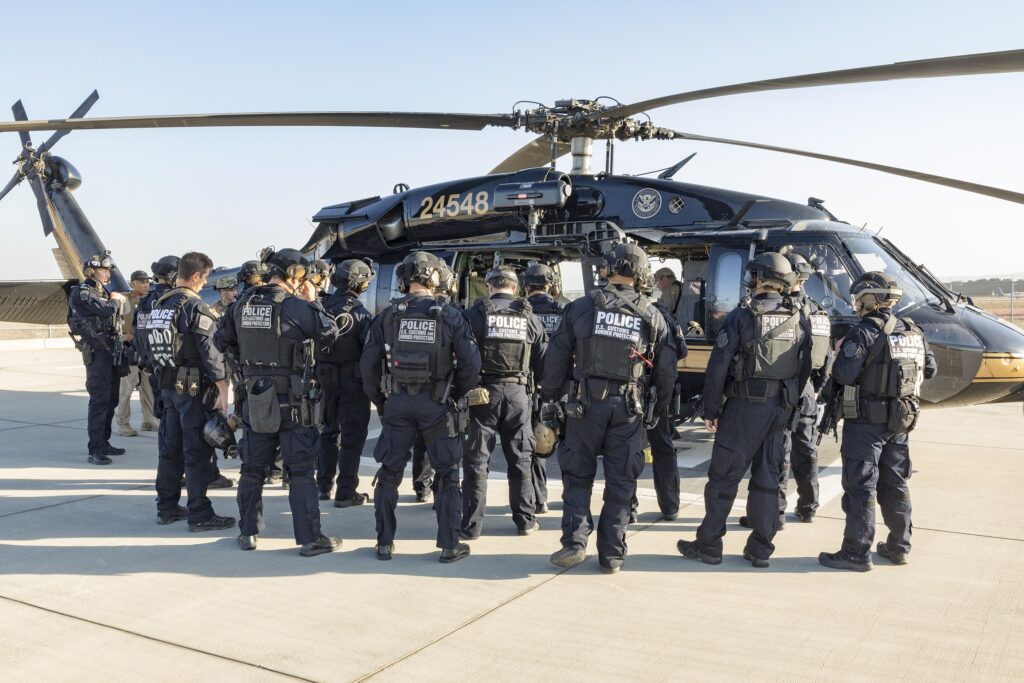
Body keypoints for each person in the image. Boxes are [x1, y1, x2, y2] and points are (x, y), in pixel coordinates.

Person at [541, 243, 677, 574]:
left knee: (577, 475)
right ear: (643, 274)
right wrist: (656, 410)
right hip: (629, 407)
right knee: (621, 482)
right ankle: (612, 554)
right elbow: (666, 371)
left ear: (608, 268)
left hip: (584, 405)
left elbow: (557, 357)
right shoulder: (653, 315)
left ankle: (574, 543)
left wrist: (550, 400)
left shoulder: (582, 307)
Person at [677, 252, 811, 569]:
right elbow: (805, 368)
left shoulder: (741, 316)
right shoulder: (798, 317)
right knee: (768, 479)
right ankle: (760, 549)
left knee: (724, 477)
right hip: (781, 409)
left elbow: (718, 367)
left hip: (744, 408)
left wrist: (710, 408)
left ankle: (709, 545)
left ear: (760, 279)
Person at [215, 248, 343, 556]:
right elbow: (330, 332)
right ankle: (311, 539)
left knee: (252, 469)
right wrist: (313, 301)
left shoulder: (241, 304)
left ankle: (247, 533)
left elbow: (222, 341)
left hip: (255, 399)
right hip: (293, 402)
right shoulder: (297, 307)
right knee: (300, 472)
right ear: (296, 275)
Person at [360, 251, 482, 563]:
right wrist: (454, 394)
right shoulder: (450, 314)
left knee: (389, 474)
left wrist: (382, 401)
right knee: (447, 474)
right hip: (437, 403)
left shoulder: (388, 315)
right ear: (434, 278)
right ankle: (449, 545)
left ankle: (384, 543)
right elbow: (471, 364)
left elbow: (368, 366)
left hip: (398, 402)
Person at [819, 271, 936, 571]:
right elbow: (930, 369)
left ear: (868, 297)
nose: (856, 303)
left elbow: (844, 374)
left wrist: (837, 353)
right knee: (896, 483)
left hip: (866, 423)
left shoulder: (865, 331)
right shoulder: (913, 331)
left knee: (861, 486)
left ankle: (857, 552)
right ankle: (899, 546)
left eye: (858, 297)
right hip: (900, 421)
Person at [140, 251, 235, 531]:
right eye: (204, 278)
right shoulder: (193, 307)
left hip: (167, 386)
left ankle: (167, 507)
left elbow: (145, 349)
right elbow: (210, 352)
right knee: (196, 453)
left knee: (170, 450)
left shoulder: (158, 305)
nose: (205, 284)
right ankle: (199, 514)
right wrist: (222, 389)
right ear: (195, 276)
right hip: (193, 390)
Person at [741, 252, 832, 525]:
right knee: (805, 451)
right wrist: (815, 389)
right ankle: (808, 505)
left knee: (777, 454)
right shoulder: (816, 311)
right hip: (805, 392)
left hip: (782, 392)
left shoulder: (777, 310)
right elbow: (825, 357)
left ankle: (775, 512)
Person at [462, 265, 548, 538]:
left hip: (481, 395)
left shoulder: (474, 314)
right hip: (518, 395)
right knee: (521, 459)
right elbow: (544, 362)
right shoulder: (529, 317)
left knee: (477, 460)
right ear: (515, 288)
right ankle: (525, 521)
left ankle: (471, 527)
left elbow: (461, 357)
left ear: (489, 286)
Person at [316, 259, 375, 507]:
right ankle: (346, 490)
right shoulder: (362, 315)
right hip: (353, 383)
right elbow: (370, 354)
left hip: (324, 381)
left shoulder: (321, 307)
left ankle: (323, 486)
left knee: (328, 433)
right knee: (352, 437)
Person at [67, 252, 128, 465]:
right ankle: (95, 449)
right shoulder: (84, 291)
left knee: (111, 399)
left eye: (108, 270)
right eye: (103, 270)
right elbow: (103, 311)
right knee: (99, 400)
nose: (107, 273)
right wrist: (113, 301)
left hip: (109, 350)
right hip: (97, 351)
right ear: (92, 271)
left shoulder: (102, 291)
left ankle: (104, 442)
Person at [638, 270, 689, 522]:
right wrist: (661, 405)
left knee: (626, 450)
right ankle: (670, 506)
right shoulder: (665, 317)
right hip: (656, 394)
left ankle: (628, 506)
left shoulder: (628, 312)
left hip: (631, 393)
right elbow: (678, 354)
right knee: (664, 449)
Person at [523, 263, 565, 514]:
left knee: (535, 445)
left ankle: (539, 499)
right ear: (551, 285)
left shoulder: (522, 313)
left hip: (530, 387)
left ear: (526, 286)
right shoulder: (565, 311)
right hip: (562, 388)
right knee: (570, 447)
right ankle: (571, 497)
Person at [115, 270, 158, 437]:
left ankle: (148, 420)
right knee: (127, 387)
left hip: (146, 351)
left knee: (148, 387)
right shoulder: (123, 299)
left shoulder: (151, 300)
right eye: (142, 282)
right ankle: (122, 423)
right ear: (133, 283)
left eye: (147, 281)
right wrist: (122, 336)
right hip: (130, 350)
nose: (146, 284)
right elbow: (113, 322)